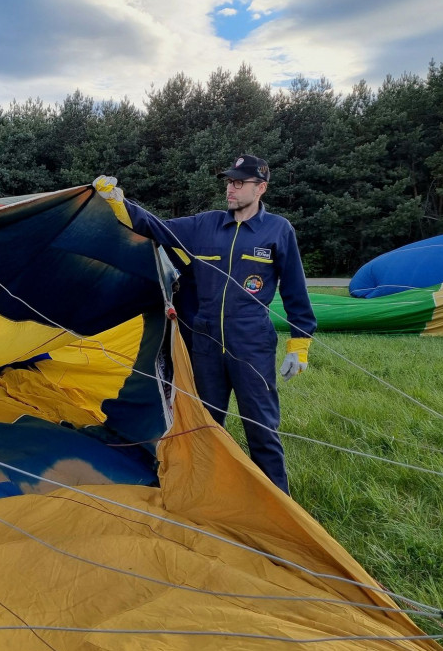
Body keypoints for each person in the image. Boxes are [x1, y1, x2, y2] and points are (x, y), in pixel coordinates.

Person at [93, 155, 317, 494]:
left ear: (261, 188)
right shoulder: (205, 225)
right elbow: (154, 226)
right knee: (206, 423)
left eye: (239, 182)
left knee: (262, 427)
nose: (231, 187)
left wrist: (299, 345)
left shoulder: (278, 230)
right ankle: (206, 491)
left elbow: (295, 291)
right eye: (229, 181)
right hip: (205, 341)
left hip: (251, 342)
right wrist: (119, 203)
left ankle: (277, 499)